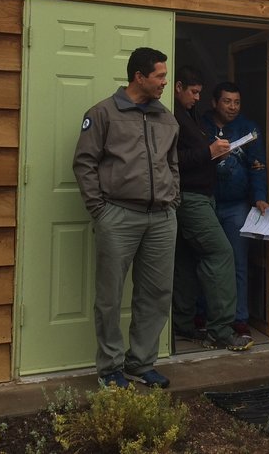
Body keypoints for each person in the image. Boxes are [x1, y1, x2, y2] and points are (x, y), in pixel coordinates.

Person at [72, 47, 180, 390]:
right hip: (119, 215)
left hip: (162, 218)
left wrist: (173, 199)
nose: (165, 82)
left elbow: (172, 164)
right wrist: (100, 210)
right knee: (110, 295)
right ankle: (109, 369)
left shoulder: (167, 117)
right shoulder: (103, 113)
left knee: (157, 293)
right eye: (160, 76)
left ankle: (141, 363)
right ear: (139, 77)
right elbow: (84, 163)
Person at [171, 67, 254, 352]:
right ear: (178, 87)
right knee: (220, 253)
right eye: (193, 92)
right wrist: (209, 152)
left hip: (202, 196)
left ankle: (182, 323)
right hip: (190, 198)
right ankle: (221, 330)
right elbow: (171, 159)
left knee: (184, 259)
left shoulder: (190, 116)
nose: (196, 98)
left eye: (199, 93)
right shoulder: (170, 117)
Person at [201, 81, 269, 336]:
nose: (232, 107)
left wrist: (259, 196)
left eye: (237, 102)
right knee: (206, 262)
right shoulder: (201, 125)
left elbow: (257, 165)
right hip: (205, 204)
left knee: (237, 262)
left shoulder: (248, 128)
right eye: (227, 101)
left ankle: (239, 318)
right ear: (214, 102)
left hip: (236, 206)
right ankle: (205, 314)